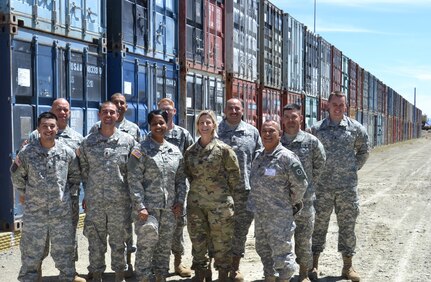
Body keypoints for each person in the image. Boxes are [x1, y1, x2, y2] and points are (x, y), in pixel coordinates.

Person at [11, 112, 82, 281]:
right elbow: (16, 176)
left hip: (61, 214)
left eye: (52, 126)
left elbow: (74, 177)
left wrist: (68, 198)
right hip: (36, 214)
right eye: (45, 126)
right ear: (38, 128)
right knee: (31, 254)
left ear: (57, 128)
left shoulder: (67, 152)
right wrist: (24, 194)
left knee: (64, 253)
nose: (48, 129)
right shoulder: (27, 153)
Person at [309, 91, 370, 282]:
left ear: (346, 107)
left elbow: (364, 150)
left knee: (347, 227)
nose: (338, 108)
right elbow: (309, 153)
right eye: (334, 104)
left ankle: (348, 266)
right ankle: (314, 265)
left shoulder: (356, 129)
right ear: (327, 105)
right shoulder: (317, 129)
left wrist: (352, 169)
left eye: (341, 105)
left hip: (346, 188)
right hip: (322, 188)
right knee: (317, 226)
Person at [27, 98, 85, 282]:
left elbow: (78, 170)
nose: (62, 112)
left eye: (66, 109)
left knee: (68, 235)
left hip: (67, 199)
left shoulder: (77, 139)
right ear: (52, 110)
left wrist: (70, 192)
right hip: (39, 201)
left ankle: (70, 271)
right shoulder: (34, 137)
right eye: (58, 109)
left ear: (69, 112)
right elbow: (24, 168)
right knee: (38, 236)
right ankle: (36, 272)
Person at [78, 101, 136, 282]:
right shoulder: (88, 143)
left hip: (120, 203)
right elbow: (84, 170)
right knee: (95, 242)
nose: (108, 116)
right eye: (105, 112)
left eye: (112, 112)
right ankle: (96, 276)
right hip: (95, 203)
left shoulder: (128, 141)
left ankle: (119, 275)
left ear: (117, 116)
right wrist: (89, 193)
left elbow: (133, 173)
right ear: (99, 115)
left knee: (119, 242)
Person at [127, 110, 187, 282]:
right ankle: (144, 278)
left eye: (162, 123)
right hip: (148, 210)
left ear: (167, 124)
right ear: (149, 126)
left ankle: (161, 276)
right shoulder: (140, 150)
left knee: (164, 246)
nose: (159, 126)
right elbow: (133, 180)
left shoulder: (175, 151)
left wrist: (180, 201)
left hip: (169, 209)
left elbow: (181, 180)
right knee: (146, 246)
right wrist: (140, 206)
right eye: (155, 123)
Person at [247, 119, 308, 282]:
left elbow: (301, 184)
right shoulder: (259, 156)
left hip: (280, 216)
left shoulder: (287, 157)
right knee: (263, 249)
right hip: (261, 215)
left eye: (271, 131)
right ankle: (269, 277)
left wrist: (288, 203)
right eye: (264, 131)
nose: (267, 134)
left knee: (283, 253)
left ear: (280, 134)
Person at [184, 110, 241, 281]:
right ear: (197, 127)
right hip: (196, 206)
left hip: (220, 206)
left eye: (208, 122)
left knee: (222, 242)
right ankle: (202, 273)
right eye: (201, 123)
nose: (204, 126)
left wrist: (222, 195)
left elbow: (234, 177)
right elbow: (189, 175)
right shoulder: (190, 152)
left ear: (214, 125)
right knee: (198, 241)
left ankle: (223, 274)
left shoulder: (224, 150)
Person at [217, 98, 262, 281]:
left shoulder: (252, 132)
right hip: (219, 191)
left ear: (242, 110)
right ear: (225, 110)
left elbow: (260, 159)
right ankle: (221, 268)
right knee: (220, 230)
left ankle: (235, 267)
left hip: (244, 190)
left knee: (240, 230)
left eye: (237, 108)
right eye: (230, 108)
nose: (234, 111)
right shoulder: (215, 130)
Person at [280, 104, 326, 282]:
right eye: (287, 117)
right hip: (281, 202)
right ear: (282, 119)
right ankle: (282, 274)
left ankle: (304, 274)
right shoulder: (277, 140)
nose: (291, 121)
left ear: (301, 118)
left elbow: (320, 165)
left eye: (294, 117)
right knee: (281, 240)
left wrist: (307, 186)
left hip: (305, 201)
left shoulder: (311, 142)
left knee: (304, 240)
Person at [157, 98, 194, 277]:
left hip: (178, 189)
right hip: (156, 192)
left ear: (174, 112)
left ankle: (178, 263)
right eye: (162, 109)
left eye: (169, 110)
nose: (166, 112)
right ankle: (158, 265)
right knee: (156, 229)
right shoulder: (152, 133)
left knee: (178, 227)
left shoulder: (183, 134)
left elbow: (192, 158)